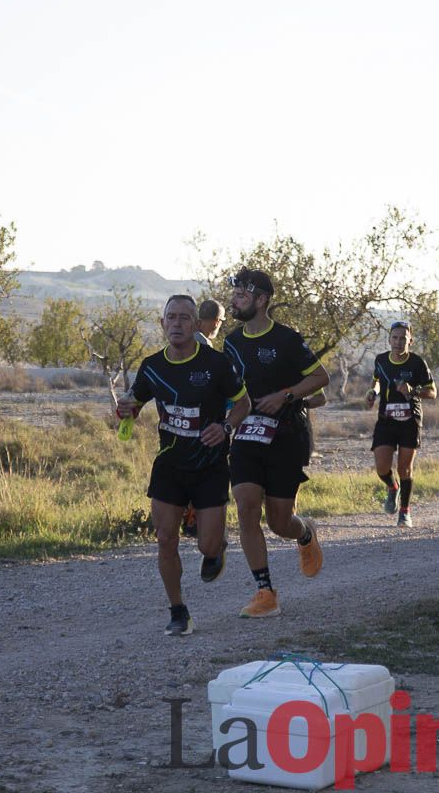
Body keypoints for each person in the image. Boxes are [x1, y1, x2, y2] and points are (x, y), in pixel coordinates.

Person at [116, 294, 250, 636]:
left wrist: (226, 427)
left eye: (184, 318)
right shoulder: (152, 365)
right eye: (171, 318)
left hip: (209, 464)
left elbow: (243, 402)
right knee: (165, 539)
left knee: (206, 545)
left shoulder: (216, 364)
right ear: (162, 324)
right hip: (170, 463)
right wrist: (125, 410)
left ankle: (216, 547)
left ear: (196, 325)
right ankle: (178, 612)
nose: (177, 324)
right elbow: (135, 402)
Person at [223, 268, 329, 618]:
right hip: (248, 435)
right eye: (234, 293)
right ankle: (265, 592)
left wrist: (285, 395)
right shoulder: (232, 342)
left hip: (287, 434)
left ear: (262, 299)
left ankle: (304, 534)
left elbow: (319, 377)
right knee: (247, 505)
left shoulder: (286, 338)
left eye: (242, 294)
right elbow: (229, 389)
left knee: (279, 523)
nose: (235, 300)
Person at [366, 321, 436, 527]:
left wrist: (412, 391)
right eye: (395, 338)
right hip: (386, 420)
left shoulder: (417, 363)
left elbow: (432, 392)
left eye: (403, 338)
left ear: (410, 341)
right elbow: (377, 381)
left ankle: (404, 512)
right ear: (389, 339)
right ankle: (392, 488)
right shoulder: (381, 360)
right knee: (381, 467)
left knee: (405, 468)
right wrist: (372, 393)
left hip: (409, 420)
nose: (398, 342)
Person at [182, 298, 229, 538]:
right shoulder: (204, 347)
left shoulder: (184, 342)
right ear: (214, 322)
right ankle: (200, 522)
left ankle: (193, 519)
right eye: (220, 321)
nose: (220, 325)